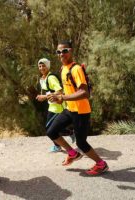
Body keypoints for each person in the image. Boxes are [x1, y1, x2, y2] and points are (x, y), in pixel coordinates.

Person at [46, 40, 109, 175]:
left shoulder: (76, 69)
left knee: (81, 143)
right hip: (70, 109)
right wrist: (56, 95)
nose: (61, 54)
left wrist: (62, 98)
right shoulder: (63, 69)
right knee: (51, 132)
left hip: (81, 111)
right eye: (58, 52)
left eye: (64, 51)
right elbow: (67, 90)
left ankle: (101, 164)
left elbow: (84, 92)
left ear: (71, 51)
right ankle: (72, 153)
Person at [36, 58, 75, 152]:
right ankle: (61, 143)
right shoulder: (44, 78)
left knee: (49, 129)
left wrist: (44, 97)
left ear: (48, 66)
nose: (41, 68)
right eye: (40, 66)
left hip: (58, 107)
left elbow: (60, 91)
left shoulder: (51, 78)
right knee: (50, 128)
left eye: (43, 66)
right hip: (52, 107)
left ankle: (69, 135)